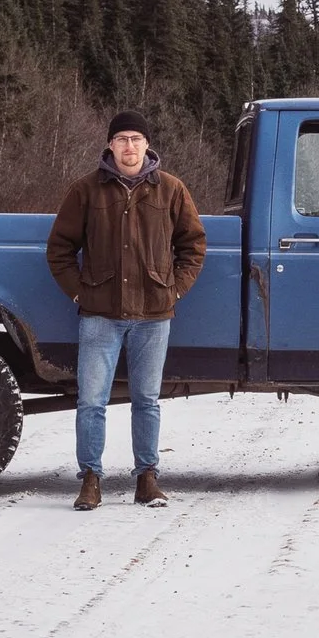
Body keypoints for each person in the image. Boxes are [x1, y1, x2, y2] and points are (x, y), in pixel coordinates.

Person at [44, 110, 208, 510]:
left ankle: (147, 479)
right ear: (110, 145)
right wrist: (80, 294)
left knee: (147, 400)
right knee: (91, 402)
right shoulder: (85, 191)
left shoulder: (171, 190)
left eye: (136, 138)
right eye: (122, 139)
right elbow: (60, 250)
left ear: (147, 145)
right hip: (99, 315)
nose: (129, 146)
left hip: (154, 315)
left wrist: (175, 290)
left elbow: (193, 245)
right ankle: (90, 480)